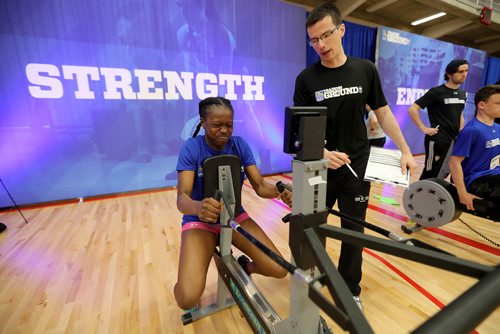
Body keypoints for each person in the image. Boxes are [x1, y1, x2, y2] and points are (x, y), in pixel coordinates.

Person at [293, 2, 416, 309]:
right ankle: (313, 276)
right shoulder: (306, 79)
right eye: (314, 40)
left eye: (326, 35)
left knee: (353, 231)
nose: (320, 45)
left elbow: (384, 114)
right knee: (312, 227)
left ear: (341, 30)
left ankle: (351, 291)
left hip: (357, 166)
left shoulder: (365, 70)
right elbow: (300, 128)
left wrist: (405, 150)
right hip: (320, 168)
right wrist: (322, 153)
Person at [173, 97, 292, 310]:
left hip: (235, 217)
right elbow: (182, 198)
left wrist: (279, 191)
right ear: (203, 122)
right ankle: (192, 268)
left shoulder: (239, 145)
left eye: (229, 125)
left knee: (278, 269)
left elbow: (261, 186)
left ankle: (245, 266)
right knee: (187, 299)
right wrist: (199, 207)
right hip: (200, 222)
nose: (224, 131)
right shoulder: (191, 148)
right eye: (217, 125)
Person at [408, 59, 469, 180]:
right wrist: (424, 128)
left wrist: (462, 132)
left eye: (466, 71)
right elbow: (413, 109)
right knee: (431, 171)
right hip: (437, 139)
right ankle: (420, 197)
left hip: (454, 139)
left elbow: (460, 114)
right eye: (460, 71)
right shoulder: (436, 92)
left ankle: (434, 197)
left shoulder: (462, 93)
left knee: (445, 171)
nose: (464, 74)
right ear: (449, 74)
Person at [449, 85, 500, 211]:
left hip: (494, 176)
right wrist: (462, 194)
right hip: (476, 181)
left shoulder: (497, 127)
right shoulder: (472, 130)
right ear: (482, 105)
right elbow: (454, 162)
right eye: (498, 103)